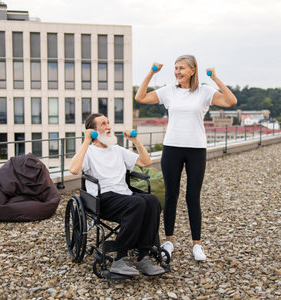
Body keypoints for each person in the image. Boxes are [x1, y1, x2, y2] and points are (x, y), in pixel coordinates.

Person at [134, 55, 237, 261]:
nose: (177, 71)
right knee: (171, 195)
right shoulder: (168, 92)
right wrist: (152, 73)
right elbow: (141, 97)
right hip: (172, 148)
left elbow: (231, 101)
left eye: (182, 68)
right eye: (175, 68)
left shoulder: (205, 91)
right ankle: (169, 241)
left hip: (196, 149)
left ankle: (196, 244)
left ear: (192, 70)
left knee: (193, 197)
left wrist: (215, 78)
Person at [68, 113, 165, 276]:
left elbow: (146, 162)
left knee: (152, 200)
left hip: (124, 195)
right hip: (102, 199)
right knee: (138, 204)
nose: (108, 127)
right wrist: (86, 141)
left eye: (108, 123)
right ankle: (120, 258)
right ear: (93, 131)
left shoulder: (118, 150)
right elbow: (73, 169)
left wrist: (135, 141)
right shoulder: (89, 152)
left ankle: (144, 257)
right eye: (103, 124)